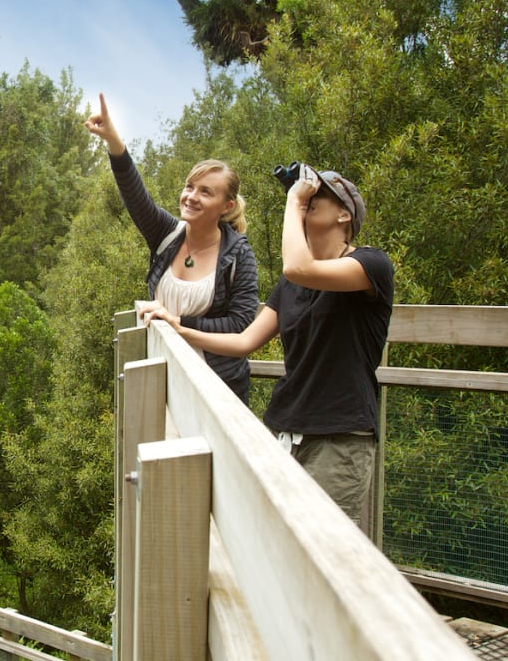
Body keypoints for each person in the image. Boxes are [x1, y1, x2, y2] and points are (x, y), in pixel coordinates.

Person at [141, 159, 394, 527]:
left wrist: (294, 199)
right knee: (277, 541)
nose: (308, 198)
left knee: (322, 550)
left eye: (318, 195)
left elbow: (297, 266)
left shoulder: (371, 265)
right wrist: (179, 327)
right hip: (285, 432)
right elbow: (245, 341)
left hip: (339, 438)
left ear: (345, 216)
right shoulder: (292, 285)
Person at [84, 93, 259, 404]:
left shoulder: (238, 256)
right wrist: (112, 139)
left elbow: (240, 324)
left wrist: (179, 322)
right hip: (160, 377)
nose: (191, 197)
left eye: (206, 192)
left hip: (216, 389)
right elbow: (134, 193)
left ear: (226, 205)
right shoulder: (167, 235)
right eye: (189, 186)